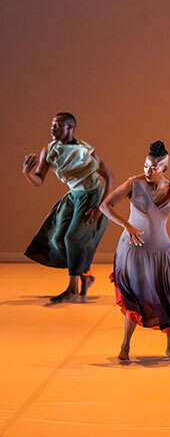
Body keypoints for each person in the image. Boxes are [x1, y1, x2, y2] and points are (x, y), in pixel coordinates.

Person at [99, 141, 170, 363]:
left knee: (168, 297)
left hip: (162, 253)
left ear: (164, 168)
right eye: (146, 165)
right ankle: (125, 346)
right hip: (134, 251)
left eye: (153, 167)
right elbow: (105, 205)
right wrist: (126, 225)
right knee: (134, 297)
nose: (148, 170)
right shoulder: (134, 184)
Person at [22, 112, 113, 303]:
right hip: (73, 196)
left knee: (72, 238)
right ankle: (85, 278)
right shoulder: (49, 150)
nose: (52, 128)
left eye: (57, 125)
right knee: (57, 238)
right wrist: (27, 173)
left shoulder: (85, 150)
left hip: (91, 196)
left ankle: (72, 290)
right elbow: (39, 179)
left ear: (70, 128)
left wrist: (99, 207)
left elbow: (109, 176)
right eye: (52, 125)